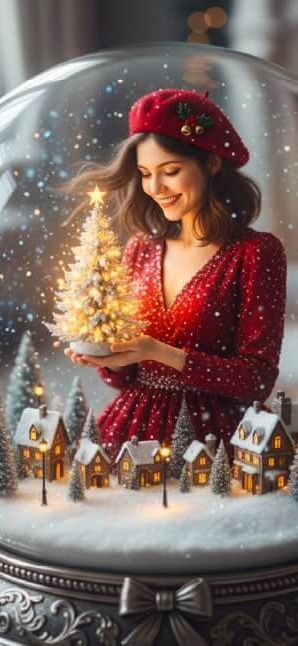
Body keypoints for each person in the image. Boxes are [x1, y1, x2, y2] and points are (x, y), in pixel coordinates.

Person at [64, 88, 286, 455]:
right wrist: (109, 359)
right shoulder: (141, 247)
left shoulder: (256, 253)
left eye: (170, 171)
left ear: (212, 163)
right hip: (132, 429)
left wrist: (160, 352)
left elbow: (257, 379)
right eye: (145, 173)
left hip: (214, 435)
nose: (155, 188)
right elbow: (125, 380)